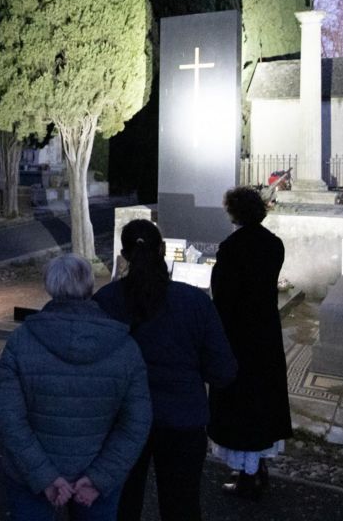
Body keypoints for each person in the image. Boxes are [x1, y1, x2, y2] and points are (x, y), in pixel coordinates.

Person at [94, 220, 237, 521]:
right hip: (183, 419)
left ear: (124, 255)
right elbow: (223, 370)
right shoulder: (195, 302)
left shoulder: (105, 301)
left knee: (121, 506)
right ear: (163, 249)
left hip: (121, 420)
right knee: (181, 506)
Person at [0, 254, 151, 521]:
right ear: (90, 285)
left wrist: (44, 476)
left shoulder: (20, 342)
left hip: (31, 475)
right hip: (95, 471)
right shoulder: (125, 347)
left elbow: (9, 418)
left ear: (50, 286)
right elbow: (136, 422)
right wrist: (100, 477)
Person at [208, 186, 292, 499]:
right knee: (263, 401)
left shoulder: (231, 248)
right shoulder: (274, 244)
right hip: (266, 332)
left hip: (238, 335)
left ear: (234, 212)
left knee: (241, 405)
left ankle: (247, 475)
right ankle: (258, 467)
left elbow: (222, 297)